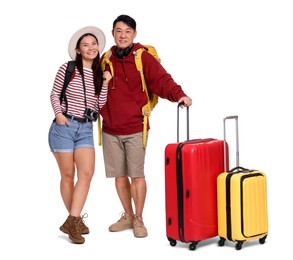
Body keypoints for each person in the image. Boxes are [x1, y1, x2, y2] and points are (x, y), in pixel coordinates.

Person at [100, 14, 192, 238]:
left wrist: (179, 95)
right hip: (110, 128)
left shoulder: (143, 57)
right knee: (120, 177)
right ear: (113, 33)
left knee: (137, 176)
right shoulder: (105, 58)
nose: (123, 35)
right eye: (119, 31)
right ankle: (128, 216)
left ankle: (139, 219)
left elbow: (162, 80)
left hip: (135, 128)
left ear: (134, 34)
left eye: (127, 31)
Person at [48, 26, 112, 244]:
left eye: (94, 44)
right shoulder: (68, 68)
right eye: (86, 45)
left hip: (86, 128)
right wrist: (58, 114)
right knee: (68, 175)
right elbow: (55, 93)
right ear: (78, 49)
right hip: (64, 126)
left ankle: (71, 220)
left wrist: (105, 82)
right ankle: (74, 221)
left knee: (86, 173)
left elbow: (100, 105)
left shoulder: (98, 72)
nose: (91, 48)